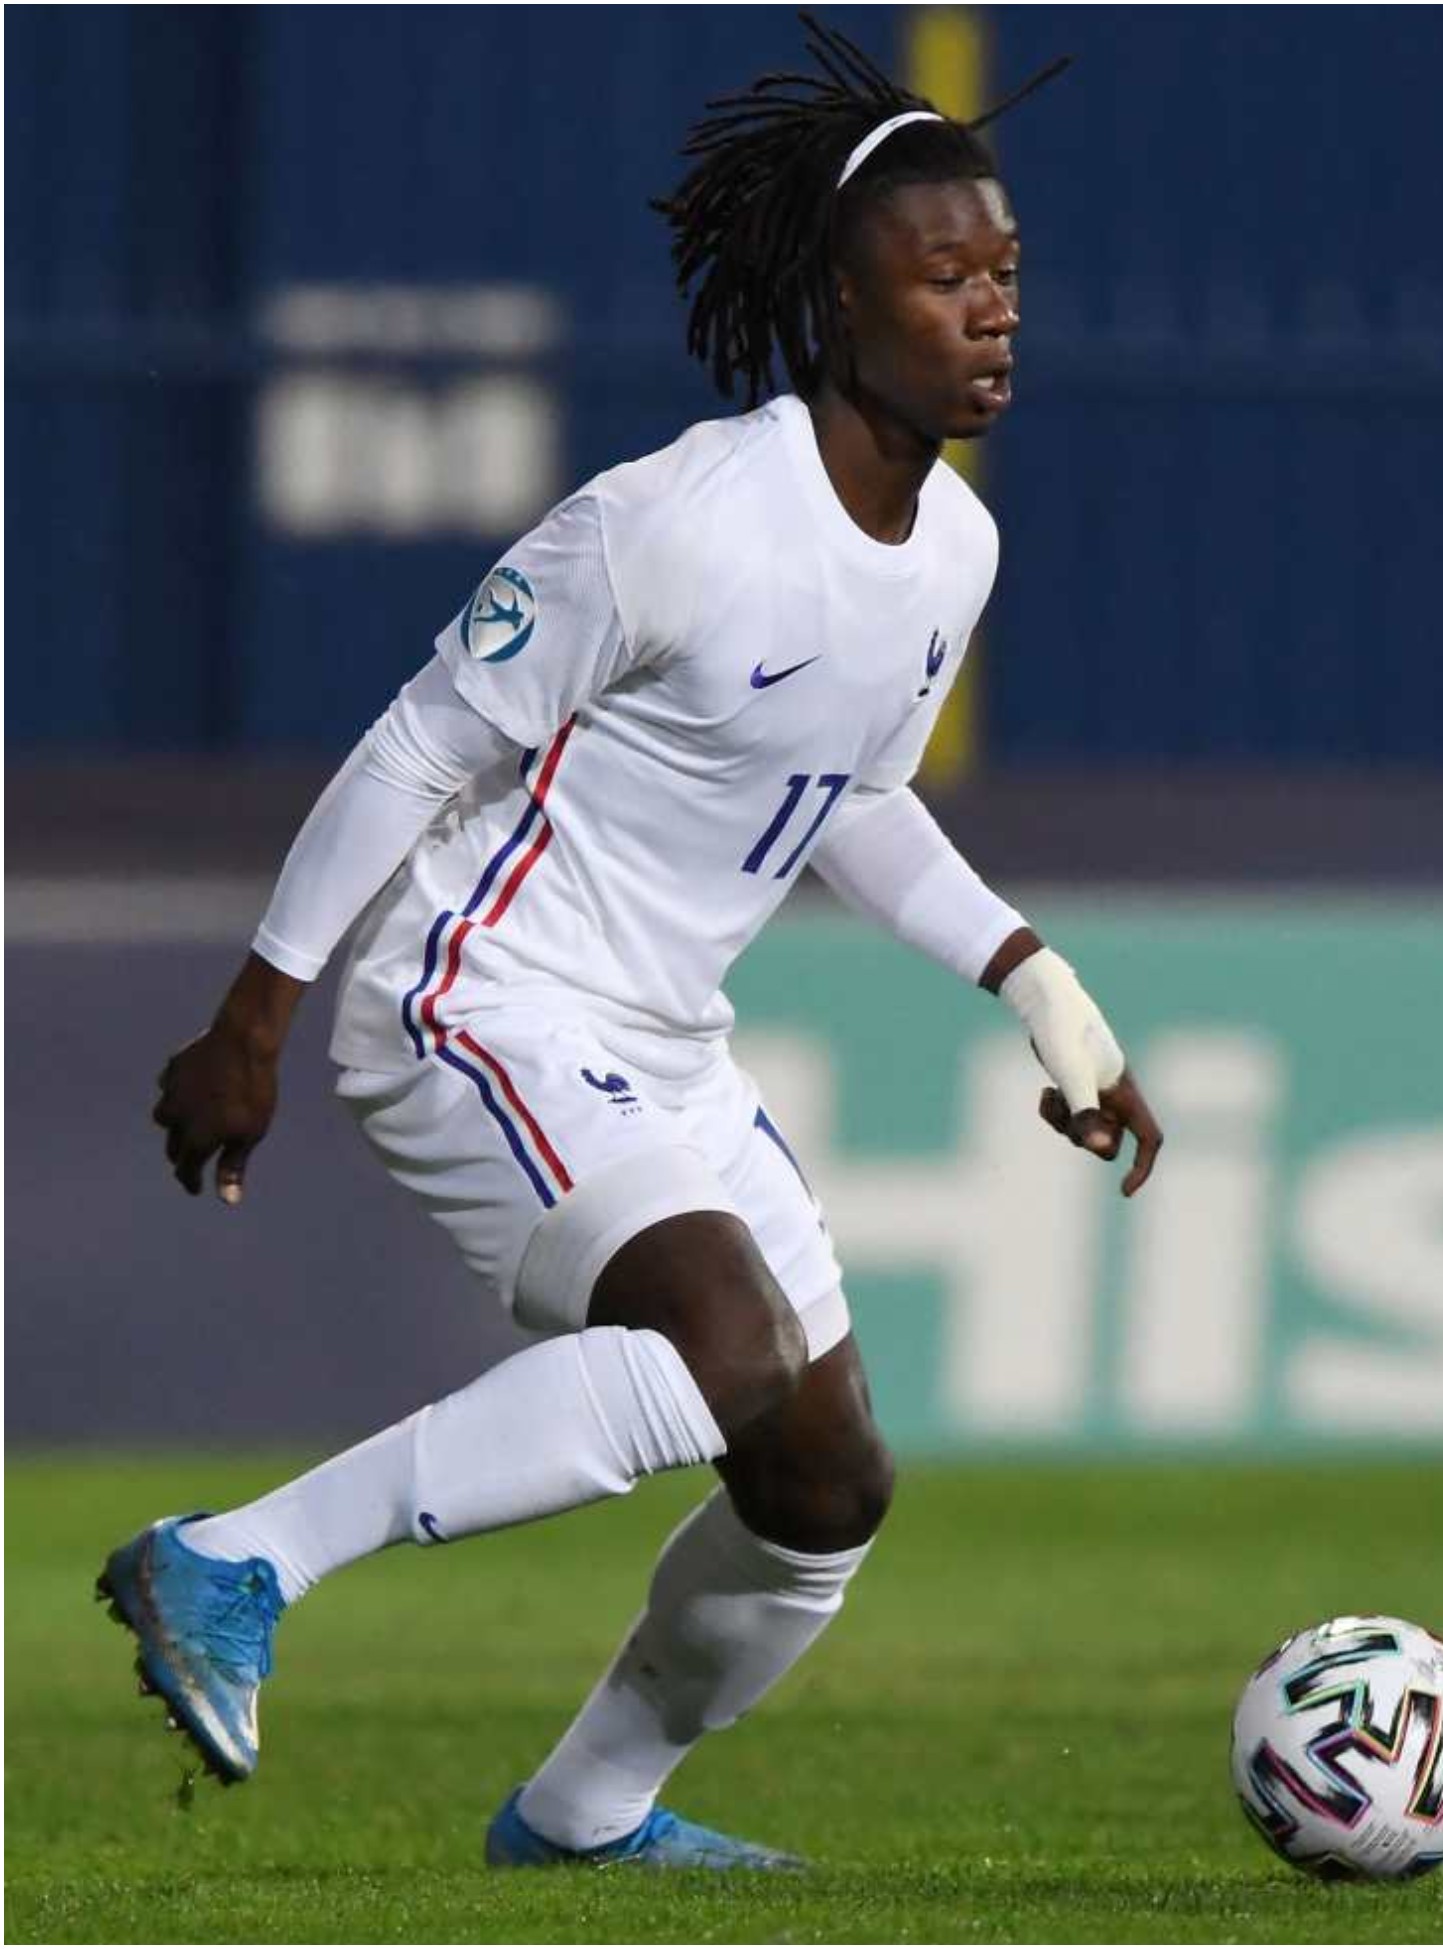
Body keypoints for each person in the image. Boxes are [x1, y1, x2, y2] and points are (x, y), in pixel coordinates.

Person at [107, 19, 1154, 1870]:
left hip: (661, 1038)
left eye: (1004, 273)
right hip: (473, 992)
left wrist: (1031, 977)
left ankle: (584, 1820)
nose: (991, 312)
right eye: (943, 278)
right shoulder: (669, 524)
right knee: (717, 1351)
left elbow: (845, 796)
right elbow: (423, 738)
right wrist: (252, 1013)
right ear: (841, 304)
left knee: (823, 1481)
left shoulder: (954, 552)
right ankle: (231, 1559)